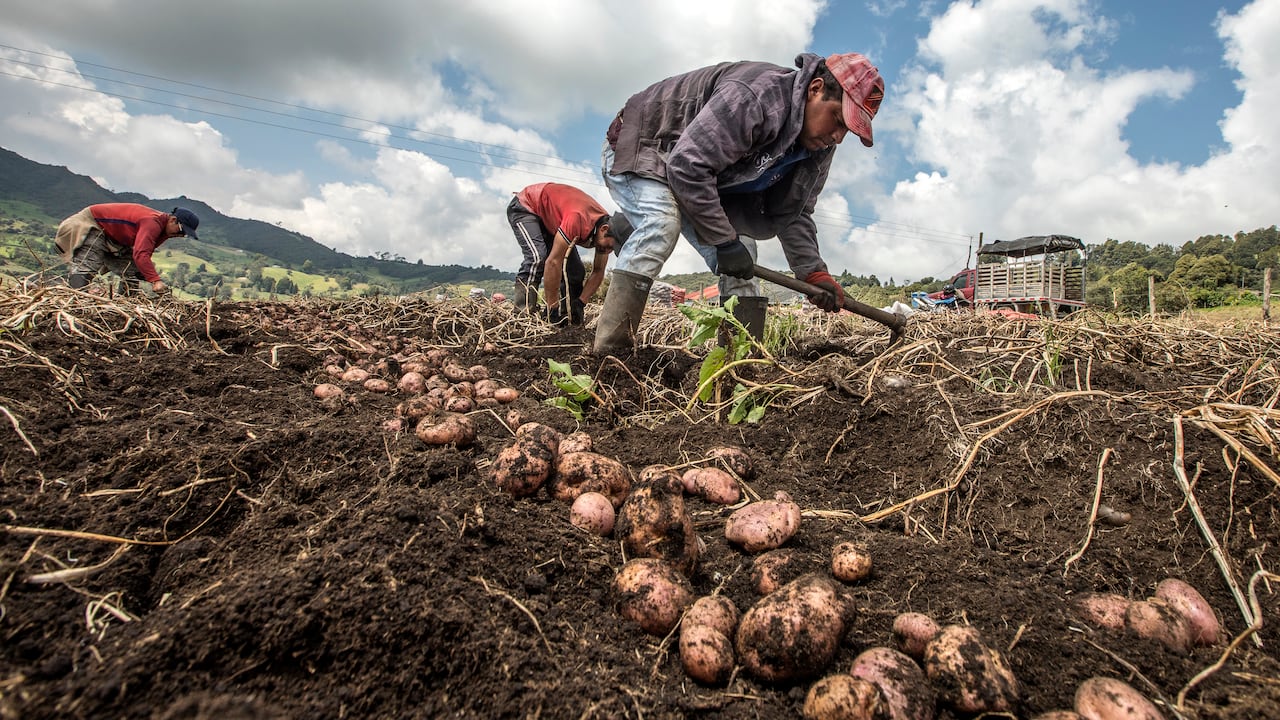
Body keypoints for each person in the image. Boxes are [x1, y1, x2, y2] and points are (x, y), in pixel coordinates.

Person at [594, 52, 884, 353]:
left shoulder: (819, 148)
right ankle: (610, 354)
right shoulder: (756, 98)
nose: (838, 137)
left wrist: (813, 272)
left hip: (703, 176)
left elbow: (795, 211)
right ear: (816, 89)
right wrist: (723, 240)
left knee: (744, 252)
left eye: (847, 130)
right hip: (648, 147)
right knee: (661, 224)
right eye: (837, 119)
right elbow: (688, 166)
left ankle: (737, 361)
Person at [507, 182, 633, 325]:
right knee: (537, 258)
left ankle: (569, 317)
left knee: (575, 273)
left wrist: (581, 302)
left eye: (613, 249)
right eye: (610, 246)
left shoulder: (607, 233)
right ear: (604, 229)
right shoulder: (577, 218)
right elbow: (553, 262)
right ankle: (523, 315)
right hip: (527, 206)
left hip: (553, 222)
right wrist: (552, 306)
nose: (608, 251)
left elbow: (598, 271)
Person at [54, 203, 200, 295]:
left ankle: (126, 302)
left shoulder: (164, 231)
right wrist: (155, 281)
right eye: (181, 230)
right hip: (93, 224)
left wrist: (149, 275)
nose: (180, 235)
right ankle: (75, 301)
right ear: (173, 220)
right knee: (89, 264)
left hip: (113, 238)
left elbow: (142, 256)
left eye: (184, 234)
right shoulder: (152, 223)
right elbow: (141, 254)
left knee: (132, 270)